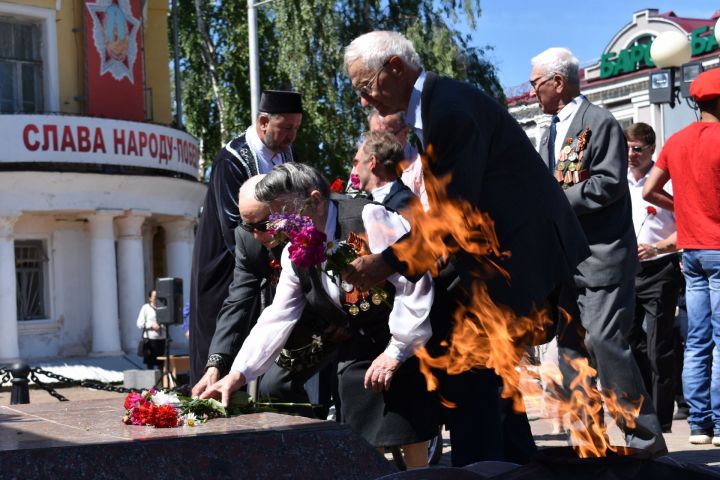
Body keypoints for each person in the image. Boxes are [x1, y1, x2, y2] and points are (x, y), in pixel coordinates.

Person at [341, 31, 590, 466]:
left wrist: (387, 262)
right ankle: (508, 466)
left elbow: (455, 214)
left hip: (517, 257)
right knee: (488, 378)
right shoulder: (437, 106)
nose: (364, 101)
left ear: (395, 69)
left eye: (366, 87)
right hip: (500, 258)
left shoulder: (449, 110)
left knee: (471, 374)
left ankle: (482, 469)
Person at [202, 163, 437, 469]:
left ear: (314, 199)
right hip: (359, 341)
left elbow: (416, 281)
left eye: (282, 214)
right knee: (362, 427)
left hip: (406, 336)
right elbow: (278, 316)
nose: (277, 227)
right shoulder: (294, 251)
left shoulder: (368, 217)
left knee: (408, 427)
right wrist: (239, 373)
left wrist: (397, 350)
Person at [531, 47, 666, 456]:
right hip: (566, 262)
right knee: (571, 351)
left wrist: (554, 200)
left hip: (602, 258)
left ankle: (644, 439)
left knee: (605, 343)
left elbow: (607, 183)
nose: (534, 90)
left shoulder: (600, 121)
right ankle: (588, 441)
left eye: (537, 82)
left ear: (558, 81)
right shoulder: (549, 130)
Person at [189, 90, 302, 384]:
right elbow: (235, 227)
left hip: (270, 265)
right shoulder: (231, 160)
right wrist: (279, 262)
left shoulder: (287, 155)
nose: (292, 135)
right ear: (263, 121)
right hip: (228, 268)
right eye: (287, 128)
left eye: (296, 128)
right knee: (224, 344)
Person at [643, 67, 720, 446]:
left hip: (689, 252)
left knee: (698, 339)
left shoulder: (676, 140)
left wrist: (683, 207)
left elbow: (649, 191)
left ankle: (700, 425)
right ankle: (719, 423)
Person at [625, 122, 681, 433]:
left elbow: (685, 224)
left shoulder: (665, 185)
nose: (631, 154)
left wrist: (657, 247)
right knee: (632, 343)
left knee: (659, 345)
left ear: (651, 151)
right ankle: (642, 409)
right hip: (628, 271)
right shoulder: (619, 183)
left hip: (660, 269)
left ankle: (661, 418)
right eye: (628, 148)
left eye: (638, 149)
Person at [367, 109, 428, 211]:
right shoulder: (362, 166)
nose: (380, 142)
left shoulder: (421, 168)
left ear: (405, 132)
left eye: (388, 135)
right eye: (375, 136)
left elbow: (429, 215)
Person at [352, 129, 417, 212]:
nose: (354, 170)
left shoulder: (407, 203)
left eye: (356, 163)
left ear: (372, 162)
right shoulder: (365, 204)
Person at [136, 290, 166, 370]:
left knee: (161, 363)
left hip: (161, 339)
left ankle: (162, 381)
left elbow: (167, 320)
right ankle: (152, 381)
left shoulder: (162, 307)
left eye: (157, 297)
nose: (156, 299)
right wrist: (151, 325)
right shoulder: (145, 308)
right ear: (150, 298)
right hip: (150, 340)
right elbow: (139, 323)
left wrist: (161, 325)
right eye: (154, 297)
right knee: (150, 363)